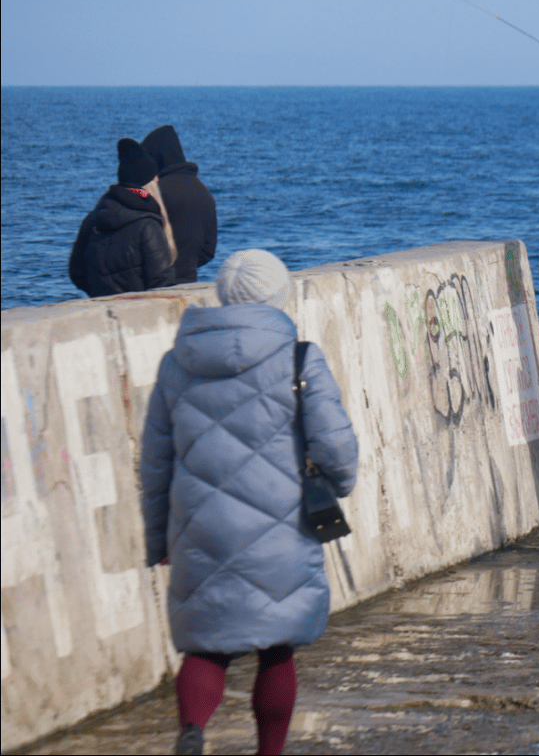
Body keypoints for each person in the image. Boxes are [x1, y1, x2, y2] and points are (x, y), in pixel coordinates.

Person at [140, 249, 359, 756]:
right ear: (277, 297)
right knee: (277, 647)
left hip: (199, 526)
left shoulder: (177, 364)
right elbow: (336, 446)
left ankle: (192, 730)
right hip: (281, 526)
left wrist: (158, 539)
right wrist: (338, 487)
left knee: (205, 646)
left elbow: (154, 463)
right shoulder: (300, 358)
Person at [69, 138, 177, 297]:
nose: (158, 181)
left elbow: (76, 273)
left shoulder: (93, 219)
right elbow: (164, 283)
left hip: (101, 311)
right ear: (147, 187)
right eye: (154, 179)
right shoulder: (148, 226)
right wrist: (184, 305)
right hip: (140, 315)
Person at [142, 124, 218, 284]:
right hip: (188, 285)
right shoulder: (204, 193)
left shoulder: (155, 192)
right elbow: (208, 250)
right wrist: (186, 266)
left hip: (155, 287)